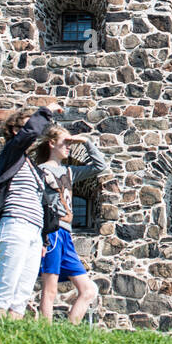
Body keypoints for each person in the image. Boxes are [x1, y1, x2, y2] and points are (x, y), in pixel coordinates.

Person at [0, 104, 63, 319]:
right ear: (15, 131)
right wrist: (46, 111)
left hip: (33, 230)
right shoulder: (11, 155)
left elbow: (39, 204)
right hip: (14, 225)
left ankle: (12, 336)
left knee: (22, 292)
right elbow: (30, 133)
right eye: (27, 126)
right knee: (7, 286)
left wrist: (43, 239)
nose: (36, 132)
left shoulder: (30, 165)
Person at [32, 126, 106, 324]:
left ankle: (70, 331)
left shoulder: (69, 172)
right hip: (52, 233)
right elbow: (36, 205)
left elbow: (100, 167)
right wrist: (41, 238)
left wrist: (86, 142)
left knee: (89, 290)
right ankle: (45, 334)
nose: (69, 147)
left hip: (66, 235)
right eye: (66, 142)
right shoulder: (40, 172)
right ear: (51, 143)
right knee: (50, 289)